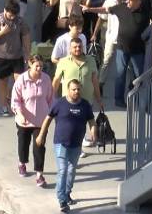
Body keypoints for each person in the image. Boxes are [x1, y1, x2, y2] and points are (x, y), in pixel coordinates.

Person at [36, 79, 96, 213]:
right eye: (73, 89)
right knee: (63, 170)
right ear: (68, 90)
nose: (76, 91)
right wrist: (41, 134)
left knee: (71, 171)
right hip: (61, 143)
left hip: (76, 144)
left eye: (78, 89)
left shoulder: (85, 105)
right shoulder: (59, 103)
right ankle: (62, 200)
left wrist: (93, 132)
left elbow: (91, 120)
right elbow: (48, 119)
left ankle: (67, 192)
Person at [84, 0, 150, 108]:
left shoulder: (145, 11)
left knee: (139, 75)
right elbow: (105, 9)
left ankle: (140, 100)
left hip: (138, 49)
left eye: (131, 0)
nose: (128, 1)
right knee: (120, 74)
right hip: (122, 47)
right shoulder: (122, 7)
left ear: (138, 1)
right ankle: (118, 100)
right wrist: (89, 9)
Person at [11, 55, 54, 187]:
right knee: (23, 144)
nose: (39, 68)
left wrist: (51, 115)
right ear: (30, 65)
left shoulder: (46, 79)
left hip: (41, 121)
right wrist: (19, 113)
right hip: (24, 120)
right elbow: (16, 100)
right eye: (37, 66)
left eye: (41, 66)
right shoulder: (22, 80)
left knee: (39, 147)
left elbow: (51, 99)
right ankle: (22, 162)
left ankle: (39, 174)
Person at [0, 0, 31, 116]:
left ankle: (12, 96)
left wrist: (27, 53)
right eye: (10, 15)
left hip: (17, 56)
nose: (12, 18)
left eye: (14, 15)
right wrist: (2, 32)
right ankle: (4, 106)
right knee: (3, 82)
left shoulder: (20, 22)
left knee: (20, 81)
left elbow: (26, 36)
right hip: (1, 57)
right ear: (5, 11)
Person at [91, 0, 130, 96]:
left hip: (126, 38)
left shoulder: (130, 2)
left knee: (128, 64)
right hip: (112, 37)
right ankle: (100, 85)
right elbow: (101, 19)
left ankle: (132, 86)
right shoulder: (109, 2)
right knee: (106, 61)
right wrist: (94, 34)